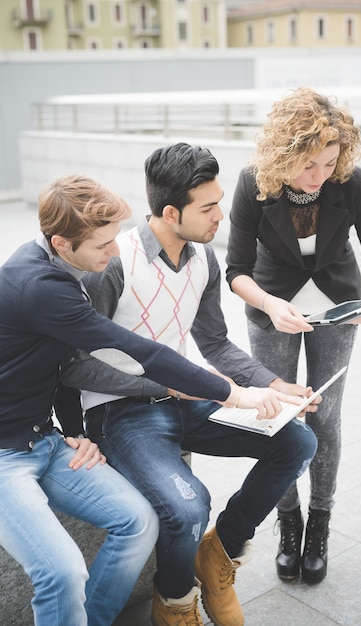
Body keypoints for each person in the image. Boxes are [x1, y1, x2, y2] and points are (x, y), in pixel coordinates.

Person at [0, 173, 293, 626]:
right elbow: (141, 352)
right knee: (62, 571)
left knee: (139, 522)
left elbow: (55, 363)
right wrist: (234, 394)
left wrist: (73, 432)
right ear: (60, 243)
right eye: (102, 245)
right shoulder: (40, 286)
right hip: (4, 454)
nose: (115, 252)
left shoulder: (55, 264)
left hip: (44, 441)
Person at [59, 144, 318, 626]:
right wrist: (165, 385)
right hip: (121, 411)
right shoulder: (116, 263)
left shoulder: (204, 259)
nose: (222, 214)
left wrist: (275, 384)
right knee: (188, 504)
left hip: (188, 398)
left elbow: (216, 345)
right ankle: (175, 600)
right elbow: (73, 366)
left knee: (298, 442)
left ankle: (219, 554)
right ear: (172, 211)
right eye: (208, 207)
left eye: (219, 201)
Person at [225, 87, 361, 585]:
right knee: (280, 417)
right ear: (284, 154)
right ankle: (288, 519)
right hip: (273, 308)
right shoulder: (253, 183)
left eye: (329, 163)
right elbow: (235, 270)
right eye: (309, 165)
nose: (320, 176)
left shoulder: (353, 182)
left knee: (327, 418)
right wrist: (269, 304)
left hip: (339, 309)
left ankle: (319, 521)